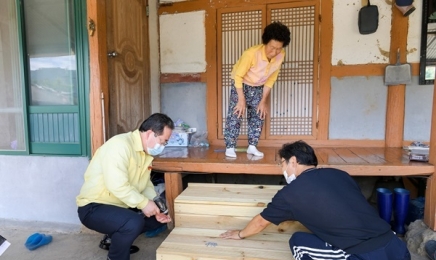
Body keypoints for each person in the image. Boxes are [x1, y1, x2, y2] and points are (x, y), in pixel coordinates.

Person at [220, 140, 411, 260]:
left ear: (293, 161)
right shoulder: (340, 174)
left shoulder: (291, 193)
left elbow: (261, 222)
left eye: (282, 164)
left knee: (298, 241)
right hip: (397, 248)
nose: (282, 169)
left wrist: (240, 234)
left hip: (364, 255)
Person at [76, 113, 174, 260]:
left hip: (120, 205)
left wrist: (156, 204)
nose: (162, 147)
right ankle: (115, 257)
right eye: (162, 141)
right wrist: (143, 203)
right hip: (94, 207)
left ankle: (113, 239)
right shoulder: (119, 145)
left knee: (155, 219)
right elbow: (117, 185)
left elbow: (145, 183)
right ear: (149, 134)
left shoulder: (145, 153)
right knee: (133, 222)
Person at [224, 21, 291, 158]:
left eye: (279, 48)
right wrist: (241, 99)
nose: (275, 52)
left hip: (259, 86)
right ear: (266, 42)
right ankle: (230, 146)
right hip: (241, 84)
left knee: (259, 114)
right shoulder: (251, 54)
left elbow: (271, 79)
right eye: (272, 47)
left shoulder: (280, 55)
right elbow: (238, 76)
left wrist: (263, 100)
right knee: (236, 113)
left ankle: (252, 146)